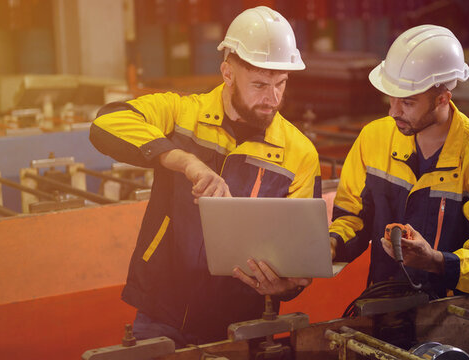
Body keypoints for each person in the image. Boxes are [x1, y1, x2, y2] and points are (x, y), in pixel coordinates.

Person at [89, 6, 320, 346]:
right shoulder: (182, 113)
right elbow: (106, 122)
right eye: (259, 84)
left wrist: (289, 286)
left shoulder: (299, 153)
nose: (272, 99)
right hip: (161, 309)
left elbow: (299, 258)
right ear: (227, 73)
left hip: (240, 320)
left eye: (280, 84)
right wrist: (183, 161)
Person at [329, 25, 469, 297]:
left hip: (451, 316)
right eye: (391, 97)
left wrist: (435, 261)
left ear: (442, 98)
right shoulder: (374, 138)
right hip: (381, 304)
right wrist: (332, 244)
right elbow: (352, 217)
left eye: (407, 103)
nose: (393, 111)